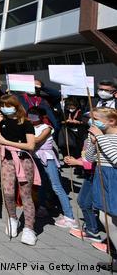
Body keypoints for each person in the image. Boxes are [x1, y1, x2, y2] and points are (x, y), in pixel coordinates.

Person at [0, 95, 37, 244]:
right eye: (2, 105)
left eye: (8, 105)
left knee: (25, 195)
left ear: (16, 105)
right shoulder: (0, 120)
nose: (5, 107)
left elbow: (30, 145)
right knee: (8, 192)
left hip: (24, 160)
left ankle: (29, 228)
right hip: (7, 160)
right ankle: (12, 218)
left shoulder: (26, 123)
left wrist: (8, 142)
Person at [28, 106, 78, 228]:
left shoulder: (47, 128)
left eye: (34, 115)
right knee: (41, 184)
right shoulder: (30, 127)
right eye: (30, 115)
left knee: (56, 186)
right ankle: (42, 207)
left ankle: (69, 216)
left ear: (41, 116)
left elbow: (37, 140)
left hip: (47, 158)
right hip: (35, 157)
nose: (31, 118)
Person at [81, 107, 117, 271]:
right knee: (104, 217)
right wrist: (92, 143)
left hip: (113, 176)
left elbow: (115, 158)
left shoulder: (113, 137)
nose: (92, 122)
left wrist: (101, 139)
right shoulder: (100, 136)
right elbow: (89, 158)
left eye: (96, 119)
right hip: (101, 174)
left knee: (112, 218)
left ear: (111, 121)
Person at [64, 139, 101, 243]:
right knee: (82, 201)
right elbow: (85, 158)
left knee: (85, 202)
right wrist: (74, 159)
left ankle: (93, 231)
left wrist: (77, 162)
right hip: (89, 175)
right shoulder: (87, 140)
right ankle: (91, 228)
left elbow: (94, 163)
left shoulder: (99, 139)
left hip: (95, 175)